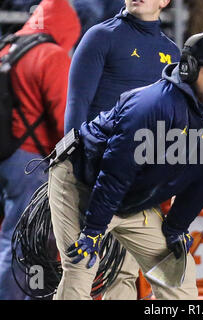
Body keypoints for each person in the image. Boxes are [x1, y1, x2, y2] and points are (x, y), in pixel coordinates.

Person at [48, 33, 203, 300]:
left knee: (178, 277)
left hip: (130, 195)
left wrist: (176, 226)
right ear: (189, 69)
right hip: (82, 180)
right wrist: (94, 230)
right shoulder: (151, 105)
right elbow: (115, 173)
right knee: (81, 265)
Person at [64, 0, 181, 300]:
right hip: (91, 174)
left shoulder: (174, 54)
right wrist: (80, 172)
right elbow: (76, 109)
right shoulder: (101, 36)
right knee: (80, 266)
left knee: (124, 275)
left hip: (135, 182)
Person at [0, 0, 80, 300]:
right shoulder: (51, 55)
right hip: (32, 164)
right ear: (68, 27)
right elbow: (65, 122)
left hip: (8, 157)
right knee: (24, 241)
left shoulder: (7, 50)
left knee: (16, 237)